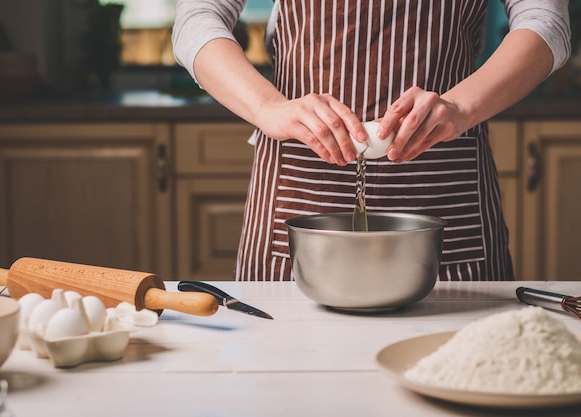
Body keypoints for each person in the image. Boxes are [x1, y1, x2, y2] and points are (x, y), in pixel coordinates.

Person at [172, 0, 570, 282]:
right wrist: (267, 108)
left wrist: (460, 107)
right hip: (297, 202)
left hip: (448, 212)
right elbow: (196, 16)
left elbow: (545, 21)